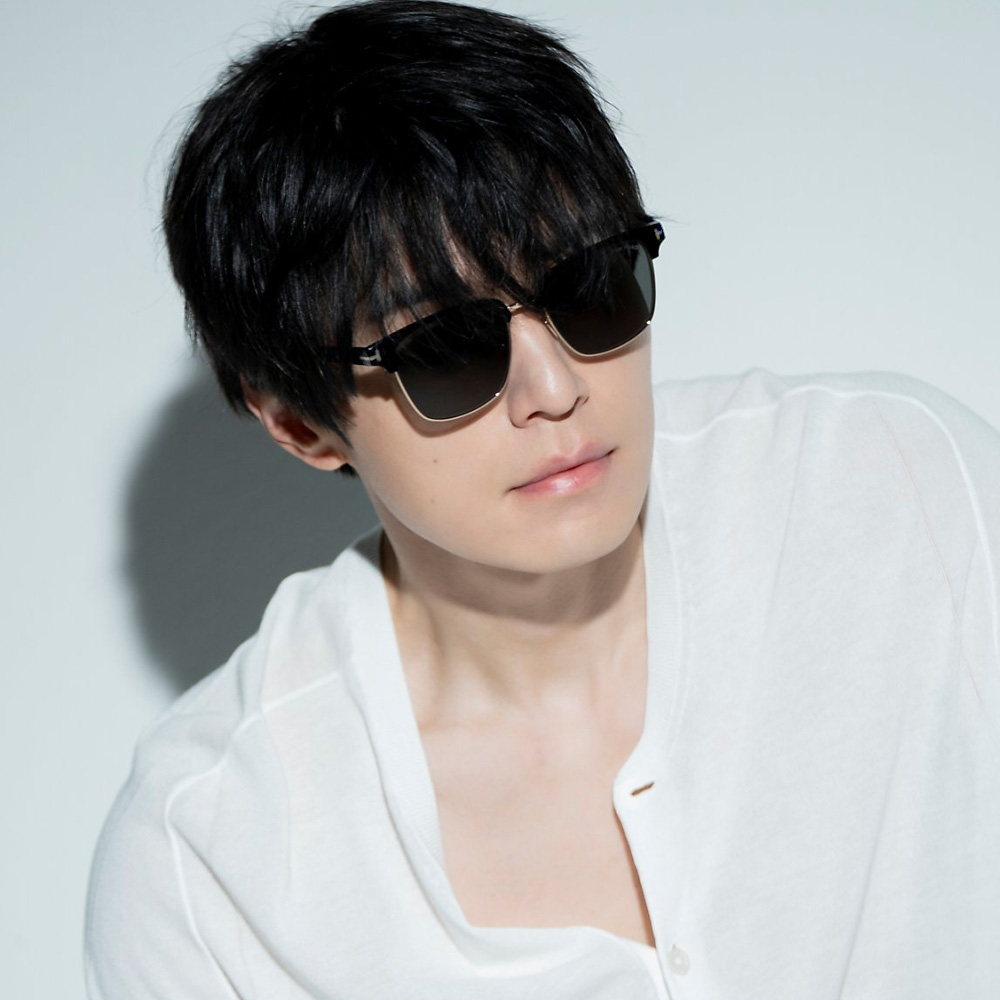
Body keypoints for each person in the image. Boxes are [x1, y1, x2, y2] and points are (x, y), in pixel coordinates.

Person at [85, 1, 1000, 997]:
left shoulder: (894, 490)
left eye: (591, 285)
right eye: (446, 349)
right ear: (301, 423)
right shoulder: (210, 865)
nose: (556, 389)